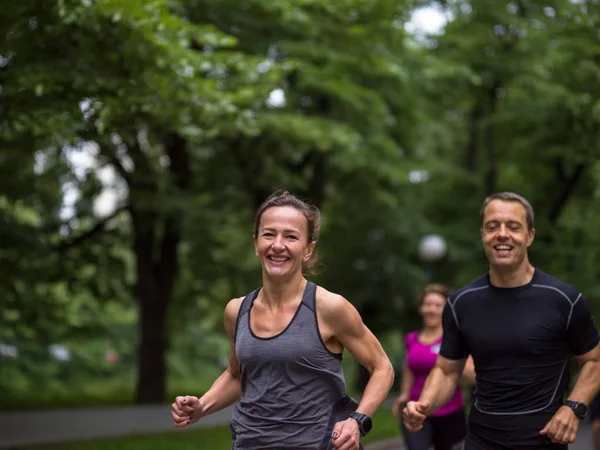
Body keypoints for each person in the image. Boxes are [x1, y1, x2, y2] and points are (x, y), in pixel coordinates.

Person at [171, 191, 395, 450]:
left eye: (291, 236)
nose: (278, 245)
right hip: (250, 443)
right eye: (269, 234)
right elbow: (237, 375)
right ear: (256, 244)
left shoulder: (329, 307)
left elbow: (382, 368)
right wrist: (202, 406)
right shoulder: (236, 310)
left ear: (308, 249)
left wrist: (357, 420)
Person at [403, 192, 600, 449]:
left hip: (543, 439)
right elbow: (447, 369)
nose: (502, 234)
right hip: (481, 439)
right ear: (483, 235)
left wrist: (574, 407)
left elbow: (593, 361)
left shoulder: (564, 299)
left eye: (514, 227)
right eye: (492, 226)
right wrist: (425, 404)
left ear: (530, 236)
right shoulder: (461, 303)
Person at [392, 283, 475, 450]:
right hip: (416, 409)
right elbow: (409, 367)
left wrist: (454, 354)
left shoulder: (455, 339)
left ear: (446, 310)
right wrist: (404, 395)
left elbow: (472, 376)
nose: (432, 309)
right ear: (421, 308)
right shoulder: (411, 339)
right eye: (427, 304)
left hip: (449, 411)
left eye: (438, 305)